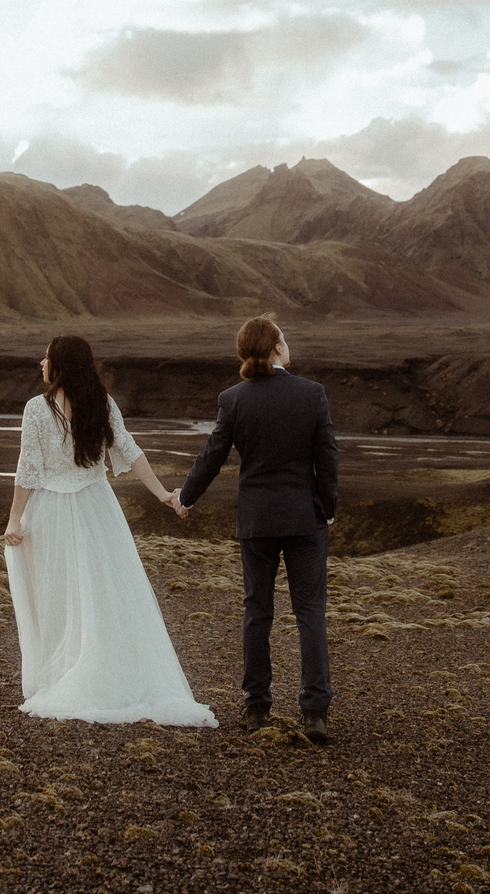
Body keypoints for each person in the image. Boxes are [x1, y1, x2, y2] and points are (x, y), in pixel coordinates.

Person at [0, 333, 216, 727]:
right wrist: (163, 494)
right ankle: (103, 669)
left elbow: (27, 470)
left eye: (45, 358)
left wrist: (15, 518)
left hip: (51, 511)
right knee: (102, 591)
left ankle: (66, 674)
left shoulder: (37, 408)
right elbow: (131, 452)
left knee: (59, 593)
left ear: (59, 366)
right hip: (98, 509)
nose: (40, 364)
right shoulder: (101, 403)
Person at [172, 313, 339, 743]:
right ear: (278, 348)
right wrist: (327, 509)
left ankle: (256, 709)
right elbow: (328, 459)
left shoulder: (234, 400)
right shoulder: (312, 394)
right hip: (305, 519)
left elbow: (212, 456)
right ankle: (315, 714)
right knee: (310, 613)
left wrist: (185, 499)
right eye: (285, 337)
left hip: (257, 522)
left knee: (256, 613)